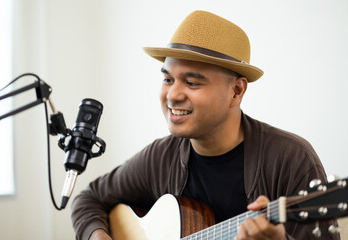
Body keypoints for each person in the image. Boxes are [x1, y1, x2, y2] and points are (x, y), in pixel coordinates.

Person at [71, 10, 340, 240]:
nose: (173, 95)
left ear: (236, 91)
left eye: (192, 82)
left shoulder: (290, 159)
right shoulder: (160, 157)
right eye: (167, 79)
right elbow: (88, 199)